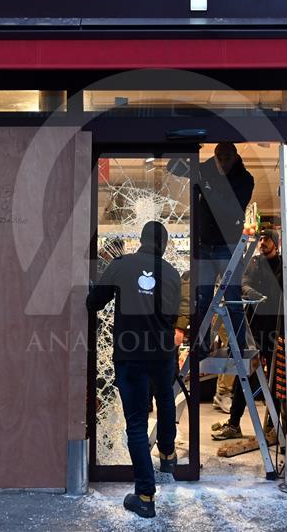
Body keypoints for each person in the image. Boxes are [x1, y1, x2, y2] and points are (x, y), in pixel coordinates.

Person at [86, 221, 182, 519]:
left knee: (137, 423)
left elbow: (93, 303)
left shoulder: (121, 265)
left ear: (139, 240)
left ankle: (144, 495)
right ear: (164, 245)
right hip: (163, 352)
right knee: (166, 398)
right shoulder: (173, 273)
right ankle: (166, 455)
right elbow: (173, 314)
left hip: (131, 354)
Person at [169, 143, 254, 413]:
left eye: (227, 158)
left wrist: (205, 182)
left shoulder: (244, 178)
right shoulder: (206, 168)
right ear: (215, 156)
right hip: (205, 244)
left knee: (231, 300)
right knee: (202, 298)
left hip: (228, 245)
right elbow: (174, 167)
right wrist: (186, 151)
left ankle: (237, 347)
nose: (223, 163)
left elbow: (229, 208)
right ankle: (203, 345)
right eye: (219, 158)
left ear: (235, 157)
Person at [212, 228, 283, 441]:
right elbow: (244, 283)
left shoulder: (282, 266)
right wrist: (251, 292)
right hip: (253, 329)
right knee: (244, 376)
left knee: (276, 379)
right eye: (260, 239)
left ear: (276, 243)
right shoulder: (255, 263)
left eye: (267, 239)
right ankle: (234, 423)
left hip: (277, 328)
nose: (262, 243)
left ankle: (272, 425)